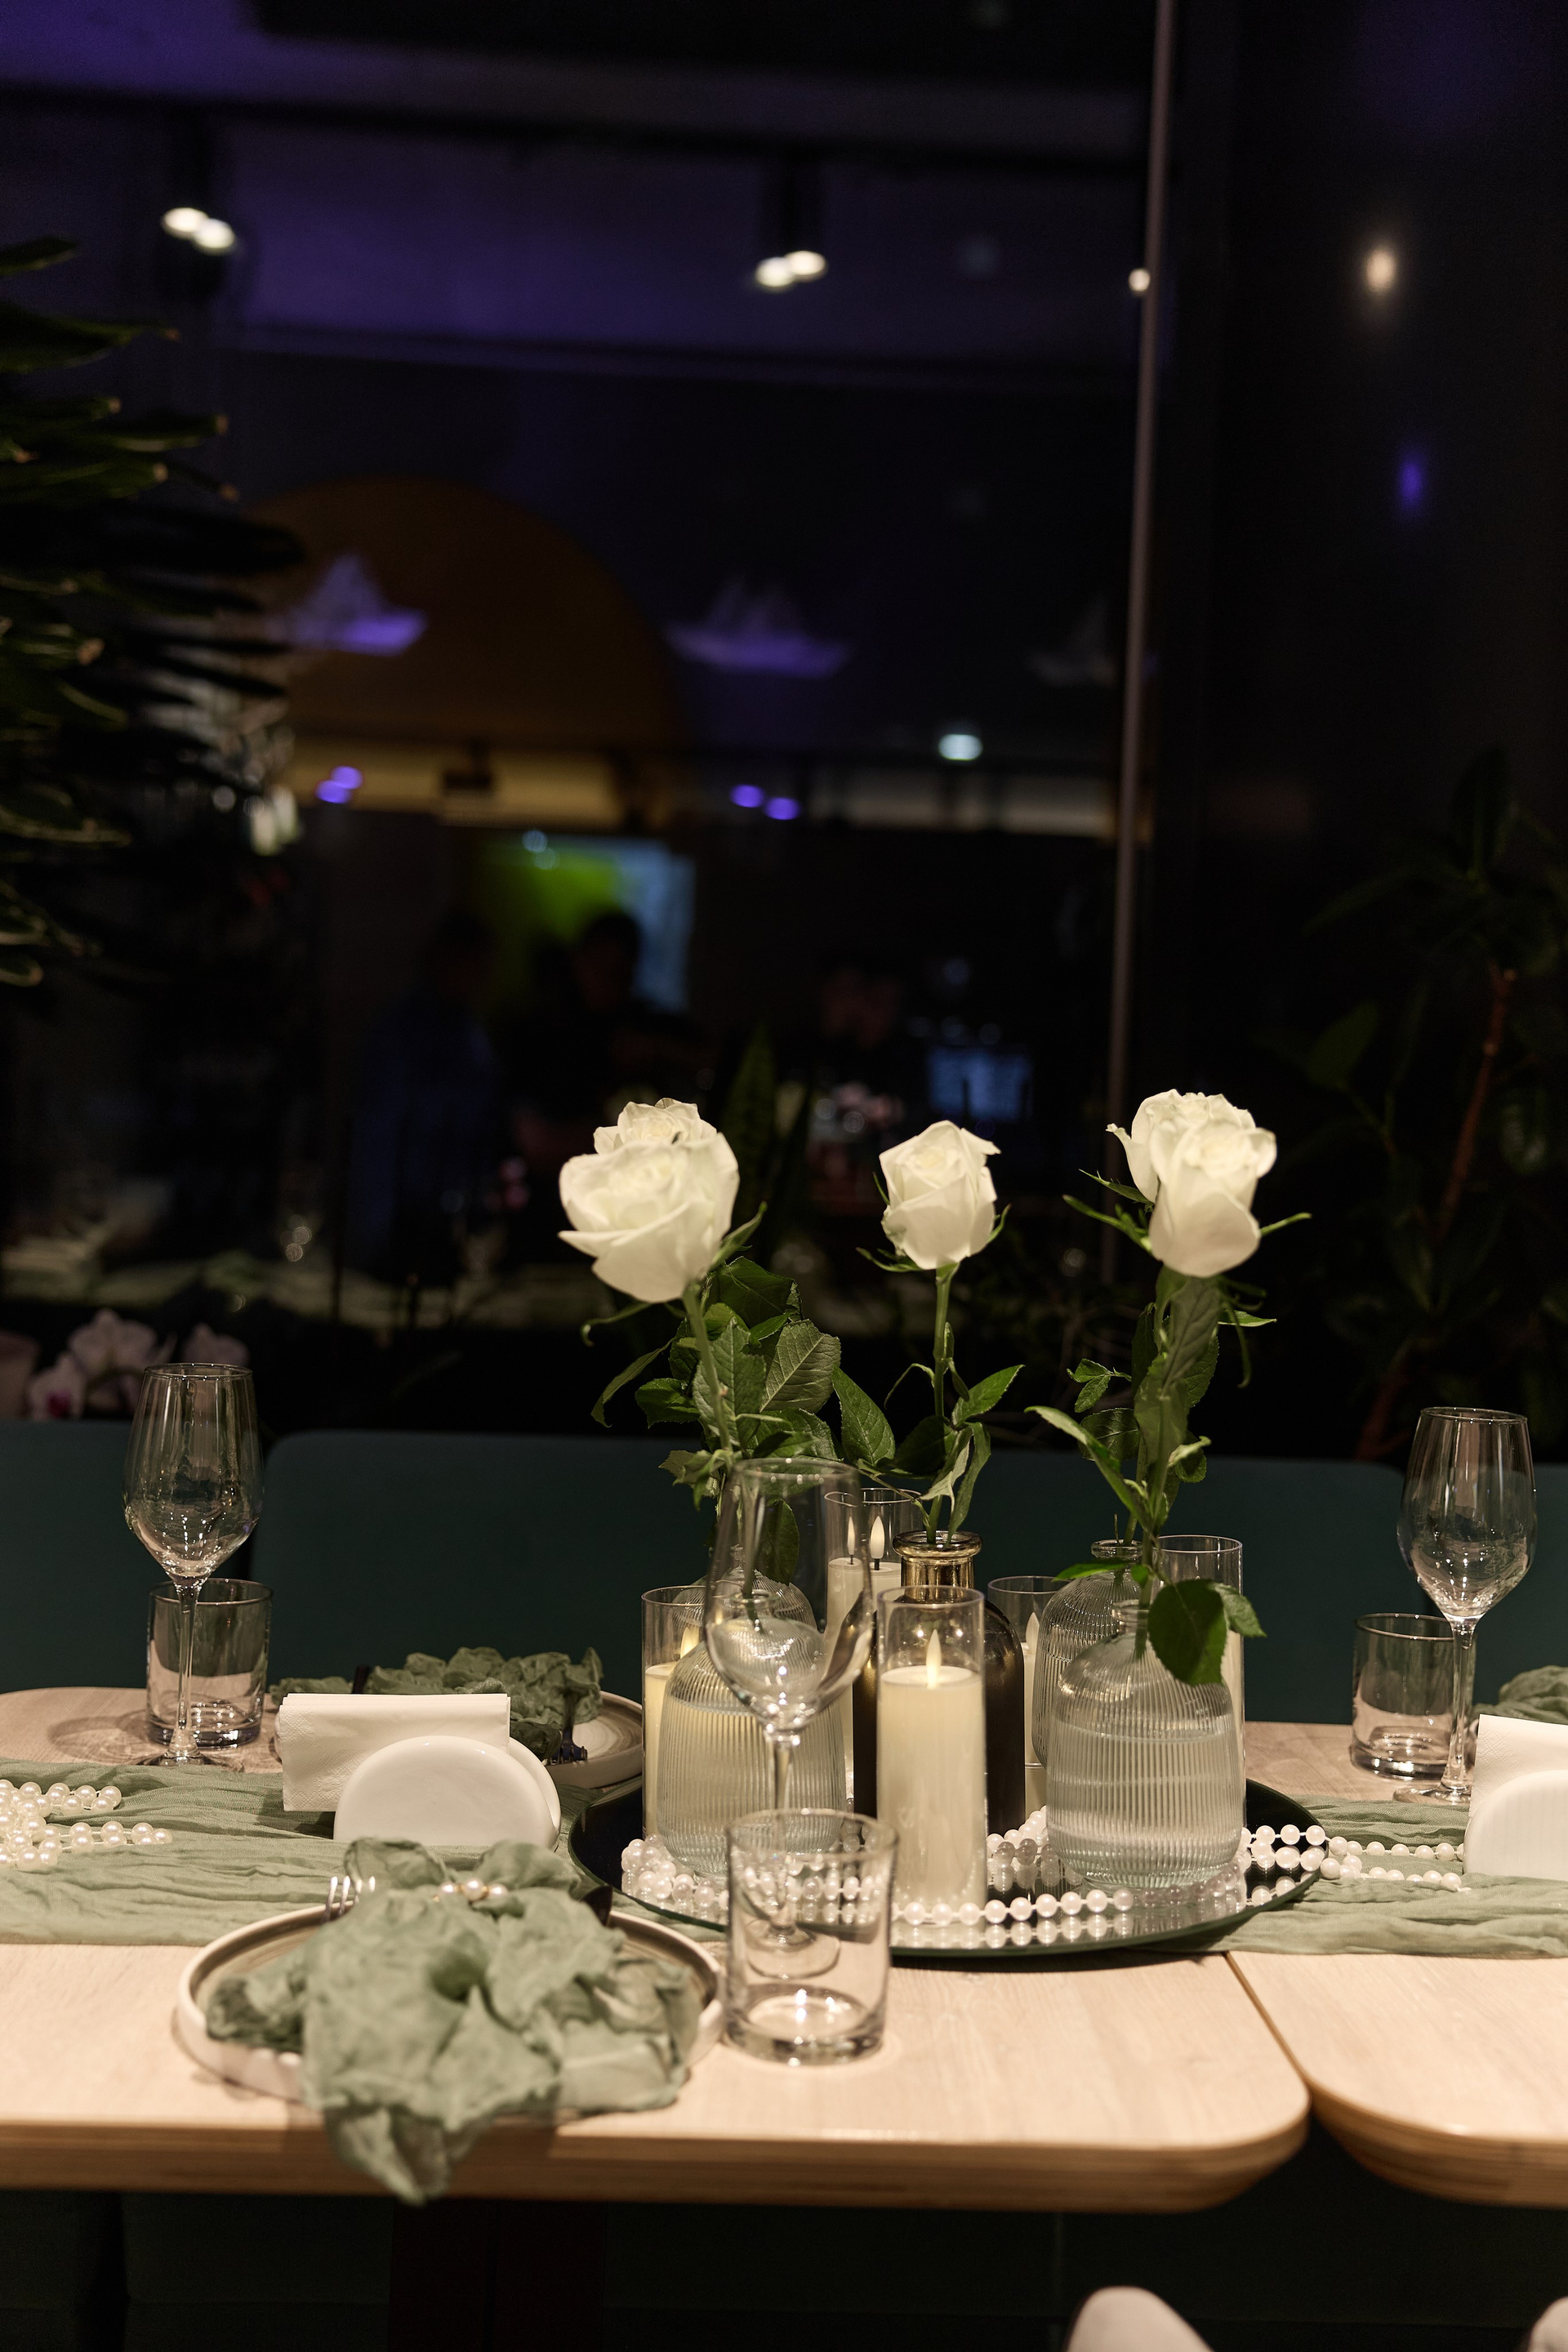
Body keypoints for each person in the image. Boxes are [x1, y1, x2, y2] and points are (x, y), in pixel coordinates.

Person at [347, 911, 506, 1284]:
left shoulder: (472, 1037)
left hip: (453, 1223)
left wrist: (479, 1214)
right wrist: (373, 1236)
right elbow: (378, 1137)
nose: (475, 978)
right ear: (441, 960)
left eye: (480, 969)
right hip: (400, 1223)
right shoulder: (399, 1033)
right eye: (468, 965)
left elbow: (483, 1128)